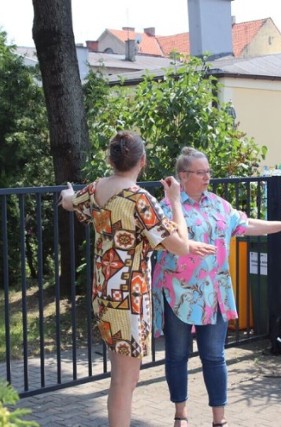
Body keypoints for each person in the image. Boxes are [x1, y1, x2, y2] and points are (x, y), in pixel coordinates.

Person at [59, 131, 215, 427]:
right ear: (142, 161)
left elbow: (69, 202)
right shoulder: (140, 199)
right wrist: (175, 201)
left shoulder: (97, 189)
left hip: (105, 294)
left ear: (111, 159)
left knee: (122, 375)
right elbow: (181, 245)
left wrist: (67, 194)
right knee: (124, 380)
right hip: (130, 299)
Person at [151, 147, 281, 427]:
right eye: (200, 172)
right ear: (182, 176)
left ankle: (219, 420)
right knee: (176, 355)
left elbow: (244, 224)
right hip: (177, 293)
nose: (207, 176)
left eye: (208, 171)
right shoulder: (167, 207)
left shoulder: (218, 204)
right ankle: (180, 414)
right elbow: (165, 241)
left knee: (214, 355)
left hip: (214, 293)